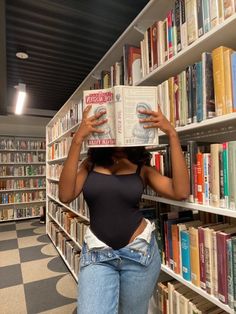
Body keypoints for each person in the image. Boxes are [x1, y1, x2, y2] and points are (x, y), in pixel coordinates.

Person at [59, 104, 190, 314]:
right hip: (98, 254)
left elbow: (181, 191)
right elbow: (65, 195)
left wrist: (172, 134)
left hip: (139, 254)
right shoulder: (89, 165)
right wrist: (77, 140)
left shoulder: (142, 169)